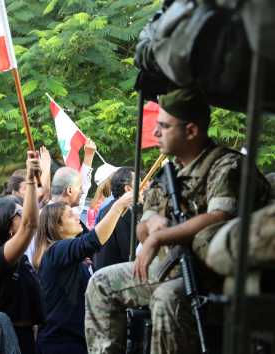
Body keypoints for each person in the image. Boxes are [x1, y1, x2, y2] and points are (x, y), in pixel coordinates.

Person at [84, 89, 271, 354]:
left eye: (164, 126)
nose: (156, 133)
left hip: (218, 274)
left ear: (192, 130)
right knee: (101, 283)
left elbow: (220, 217)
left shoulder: (227, 166)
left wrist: (161, 236)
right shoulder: (171, 174)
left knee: (167, 298)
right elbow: (142, 226)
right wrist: (151, 226)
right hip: (173, 266)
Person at [32, 191, 132, 354]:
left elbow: (92, 237)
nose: (77, 216)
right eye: (70, 215)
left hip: (70, 341)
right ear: (57, 226)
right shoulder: (58, 249)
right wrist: (118, 207)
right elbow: (93, 240)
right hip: (62, 345)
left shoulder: (63, 254)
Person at [0, 151, 43, 353]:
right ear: (9, 228)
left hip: (24, 338)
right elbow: (31, 225)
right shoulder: (2, 259)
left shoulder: (16, 258)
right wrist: (31, 181)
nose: (24, 216)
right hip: (11, 340)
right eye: (18, 214)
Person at [93, 167, 135, 269]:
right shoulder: (124, 212)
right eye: (140, 182)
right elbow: (130, 255)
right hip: (114, 277)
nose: (145, 187)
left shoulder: (106, 208)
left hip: (101, 272)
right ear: (128, 189)